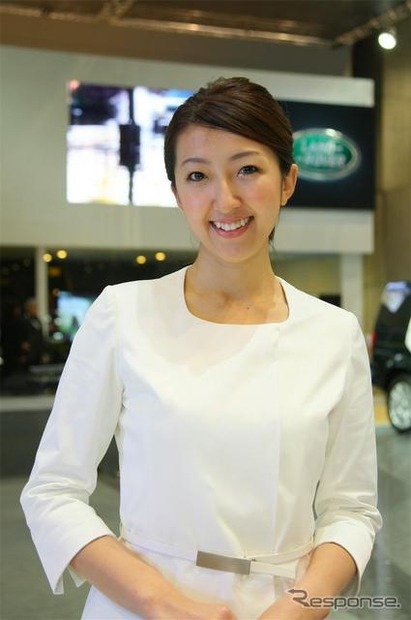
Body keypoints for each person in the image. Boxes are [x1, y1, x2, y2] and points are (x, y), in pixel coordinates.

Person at [21, 77, 382, 620]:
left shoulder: (333, 332)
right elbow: (53, 491)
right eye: (197, 176)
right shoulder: (124, 313)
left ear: (288, 181)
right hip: (139, 606)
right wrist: (161, 603)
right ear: (176, 193)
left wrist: (300, 609)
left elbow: (351, 509)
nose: (225, 200)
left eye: (248, 170)